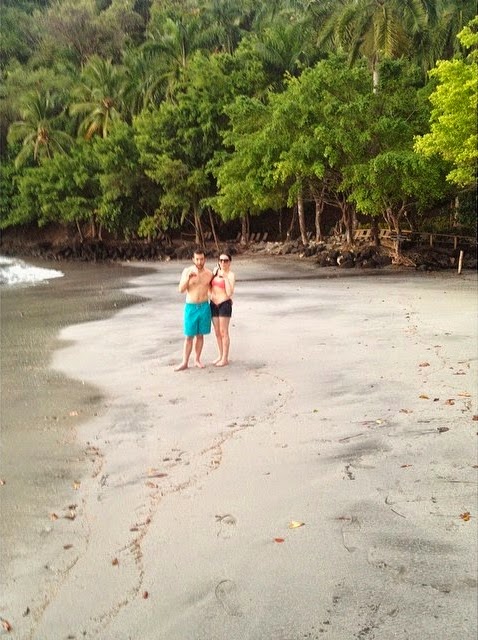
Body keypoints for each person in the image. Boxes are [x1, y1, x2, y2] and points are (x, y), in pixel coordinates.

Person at [175, 247, 212, 371]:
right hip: (191, 306)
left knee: (200, 335)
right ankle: (185, 362)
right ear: (193, 259)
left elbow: (213, 289)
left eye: (201, 259)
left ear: (205, 259)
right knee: (189, 336)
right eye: (197, 259)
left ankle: (197, 359)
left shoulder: (209, 273)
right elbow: (181, 289)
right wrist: (188, 279)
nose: (199, 262)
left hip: (204, 306)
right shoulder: (187, 271)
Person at [210, 251, 235, 367]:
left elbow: (229, 293)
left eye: (226, 261)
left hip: (224, 303)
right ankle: (220, 355)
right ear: (218, 262)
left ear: (229, 262)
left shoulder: (230, 275)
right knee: (217, 332)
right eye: (221, 260)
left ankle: (225, 358)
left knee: (224, 331)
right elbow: (209, 285)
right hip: (213, 303)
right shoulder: (215, 272)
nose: (223, 263)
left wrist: (225, 278)